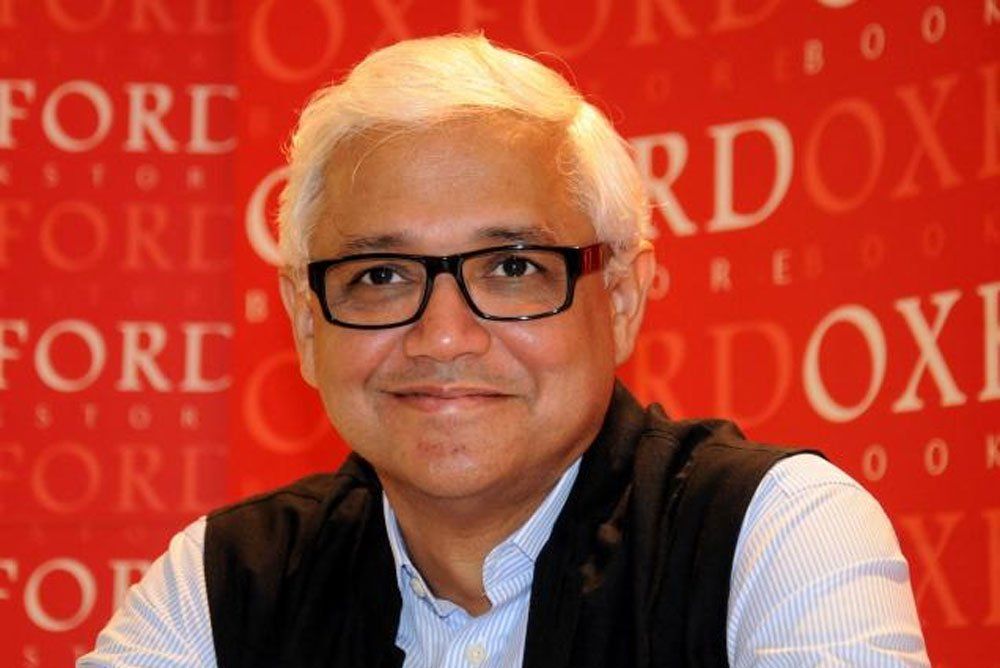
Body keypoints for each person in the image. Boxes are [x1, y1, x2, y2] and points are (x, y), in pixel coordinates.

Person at [80, 34, 929, 667]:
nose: (444, 337)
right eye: (381, 276)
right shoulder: (225, 581)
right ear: (307, 325)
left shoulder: (769, 536)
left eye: (513, 267)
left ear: (621, 300)